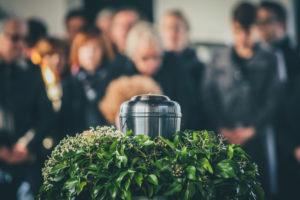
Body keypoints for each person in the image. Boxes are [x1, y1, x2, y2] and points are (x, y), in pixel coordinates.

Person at [202, 3, 281, 199]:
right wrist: (221, 128)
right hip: (223, 137)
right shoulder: (217, 58)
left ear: (257, 28)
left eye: (248, 30)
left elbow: (275, 99)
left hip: (257, 137)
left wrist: (252, 129)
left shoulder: (271, 59)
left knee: (260, 190)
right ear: (232, 27)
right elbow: (207, 95)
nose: (243, 37)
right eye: (238, 30)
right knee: (223, 189)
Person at [0, 17, 54, 199]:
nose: (20, 44)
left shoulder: (32, 71)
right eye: (14, 38)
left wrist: (26, 145)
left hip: (26, 158)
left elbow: (45, 115)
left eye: (25, 39)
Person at [256, 2, 300, 198]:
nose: (261, 28)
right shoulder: (259, 61)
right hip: (265, 144)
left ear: (282, 23)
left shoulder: (295, 59)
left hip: (293, 146)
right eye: (258, 22)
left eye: (266, 21)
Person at [124, 21, 199, 130]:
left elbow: (187, 109)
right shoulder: (123, 72)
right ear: (132, 56)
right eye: (145, 58)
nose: (152, 64)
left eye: (156, 57)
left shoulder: (175, 65)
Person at [58, 27, 115, 137]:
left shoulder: (113, 81)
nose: (91, 53)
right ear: (77, 51)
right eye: (85, 48)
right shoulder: (68, 84)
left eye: (96, 48)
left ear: (103, 51)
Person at [160, 10, 205, 89]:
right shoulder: (156, 65)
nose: (172, 33)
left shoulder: (200, 68)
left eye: (177, 28)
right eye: (168, 28)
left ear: (187, 31)